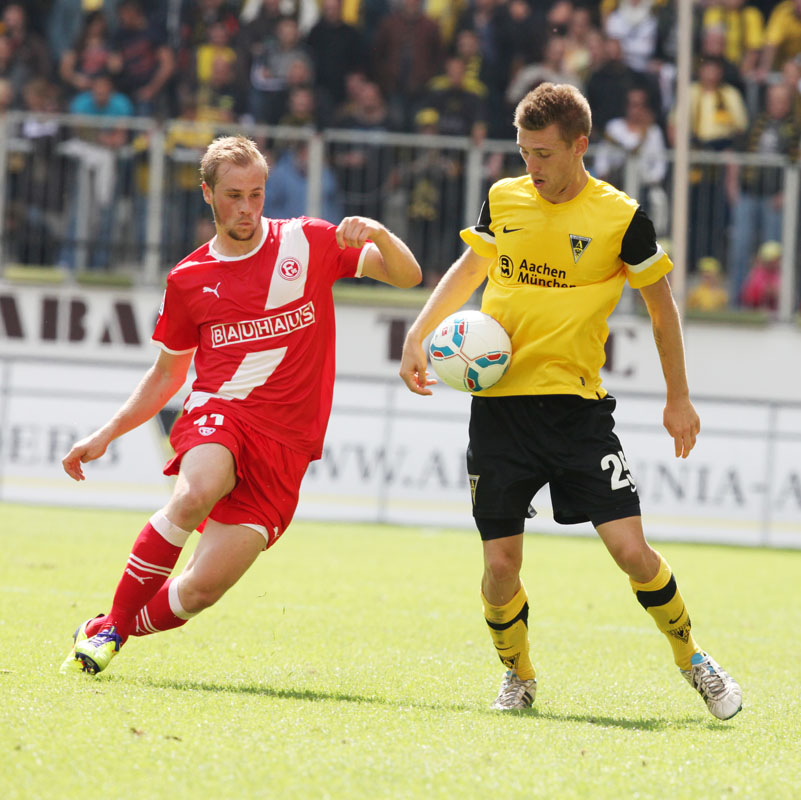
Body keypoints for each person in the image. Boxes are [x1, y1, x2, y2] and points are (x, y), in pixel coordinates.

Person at [399, 83, 742, 720]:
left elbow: (662, 312)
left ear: (580, 146)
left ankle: (693, 658)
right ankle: (518, 675)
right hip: (499, 412)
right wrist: (419, 333)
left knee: (632, 552)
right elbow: (470, 268)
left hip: (577, 412)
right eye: (524, 151)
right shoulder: (504, 198)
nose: (532, 165)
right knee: (500, 565)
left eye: (545, 154)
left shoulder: (621, 218)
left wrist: (679, 398)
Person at [60, 135, 422, 676]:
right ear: (208, 194)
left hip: (288, 445)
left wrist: (379, 234)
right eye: (234, 195)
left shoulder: (308, 241)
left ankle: (108, 627)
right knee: (196, 492)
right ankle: (113, 627)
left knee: (200, 591)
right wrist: (106, 433)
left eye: (256, 194)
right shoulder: (188, 279)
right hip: (221, 413)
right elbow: (167, 375)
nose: (248, 208)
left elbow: (408, 276)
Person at [740, 240, 782, 311]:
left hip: (776, 311)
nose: (778, 262)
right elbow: (749, 297)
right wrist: (766, 291)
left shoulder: (781, 274)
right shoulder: (757, 273)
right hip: (757, 310)